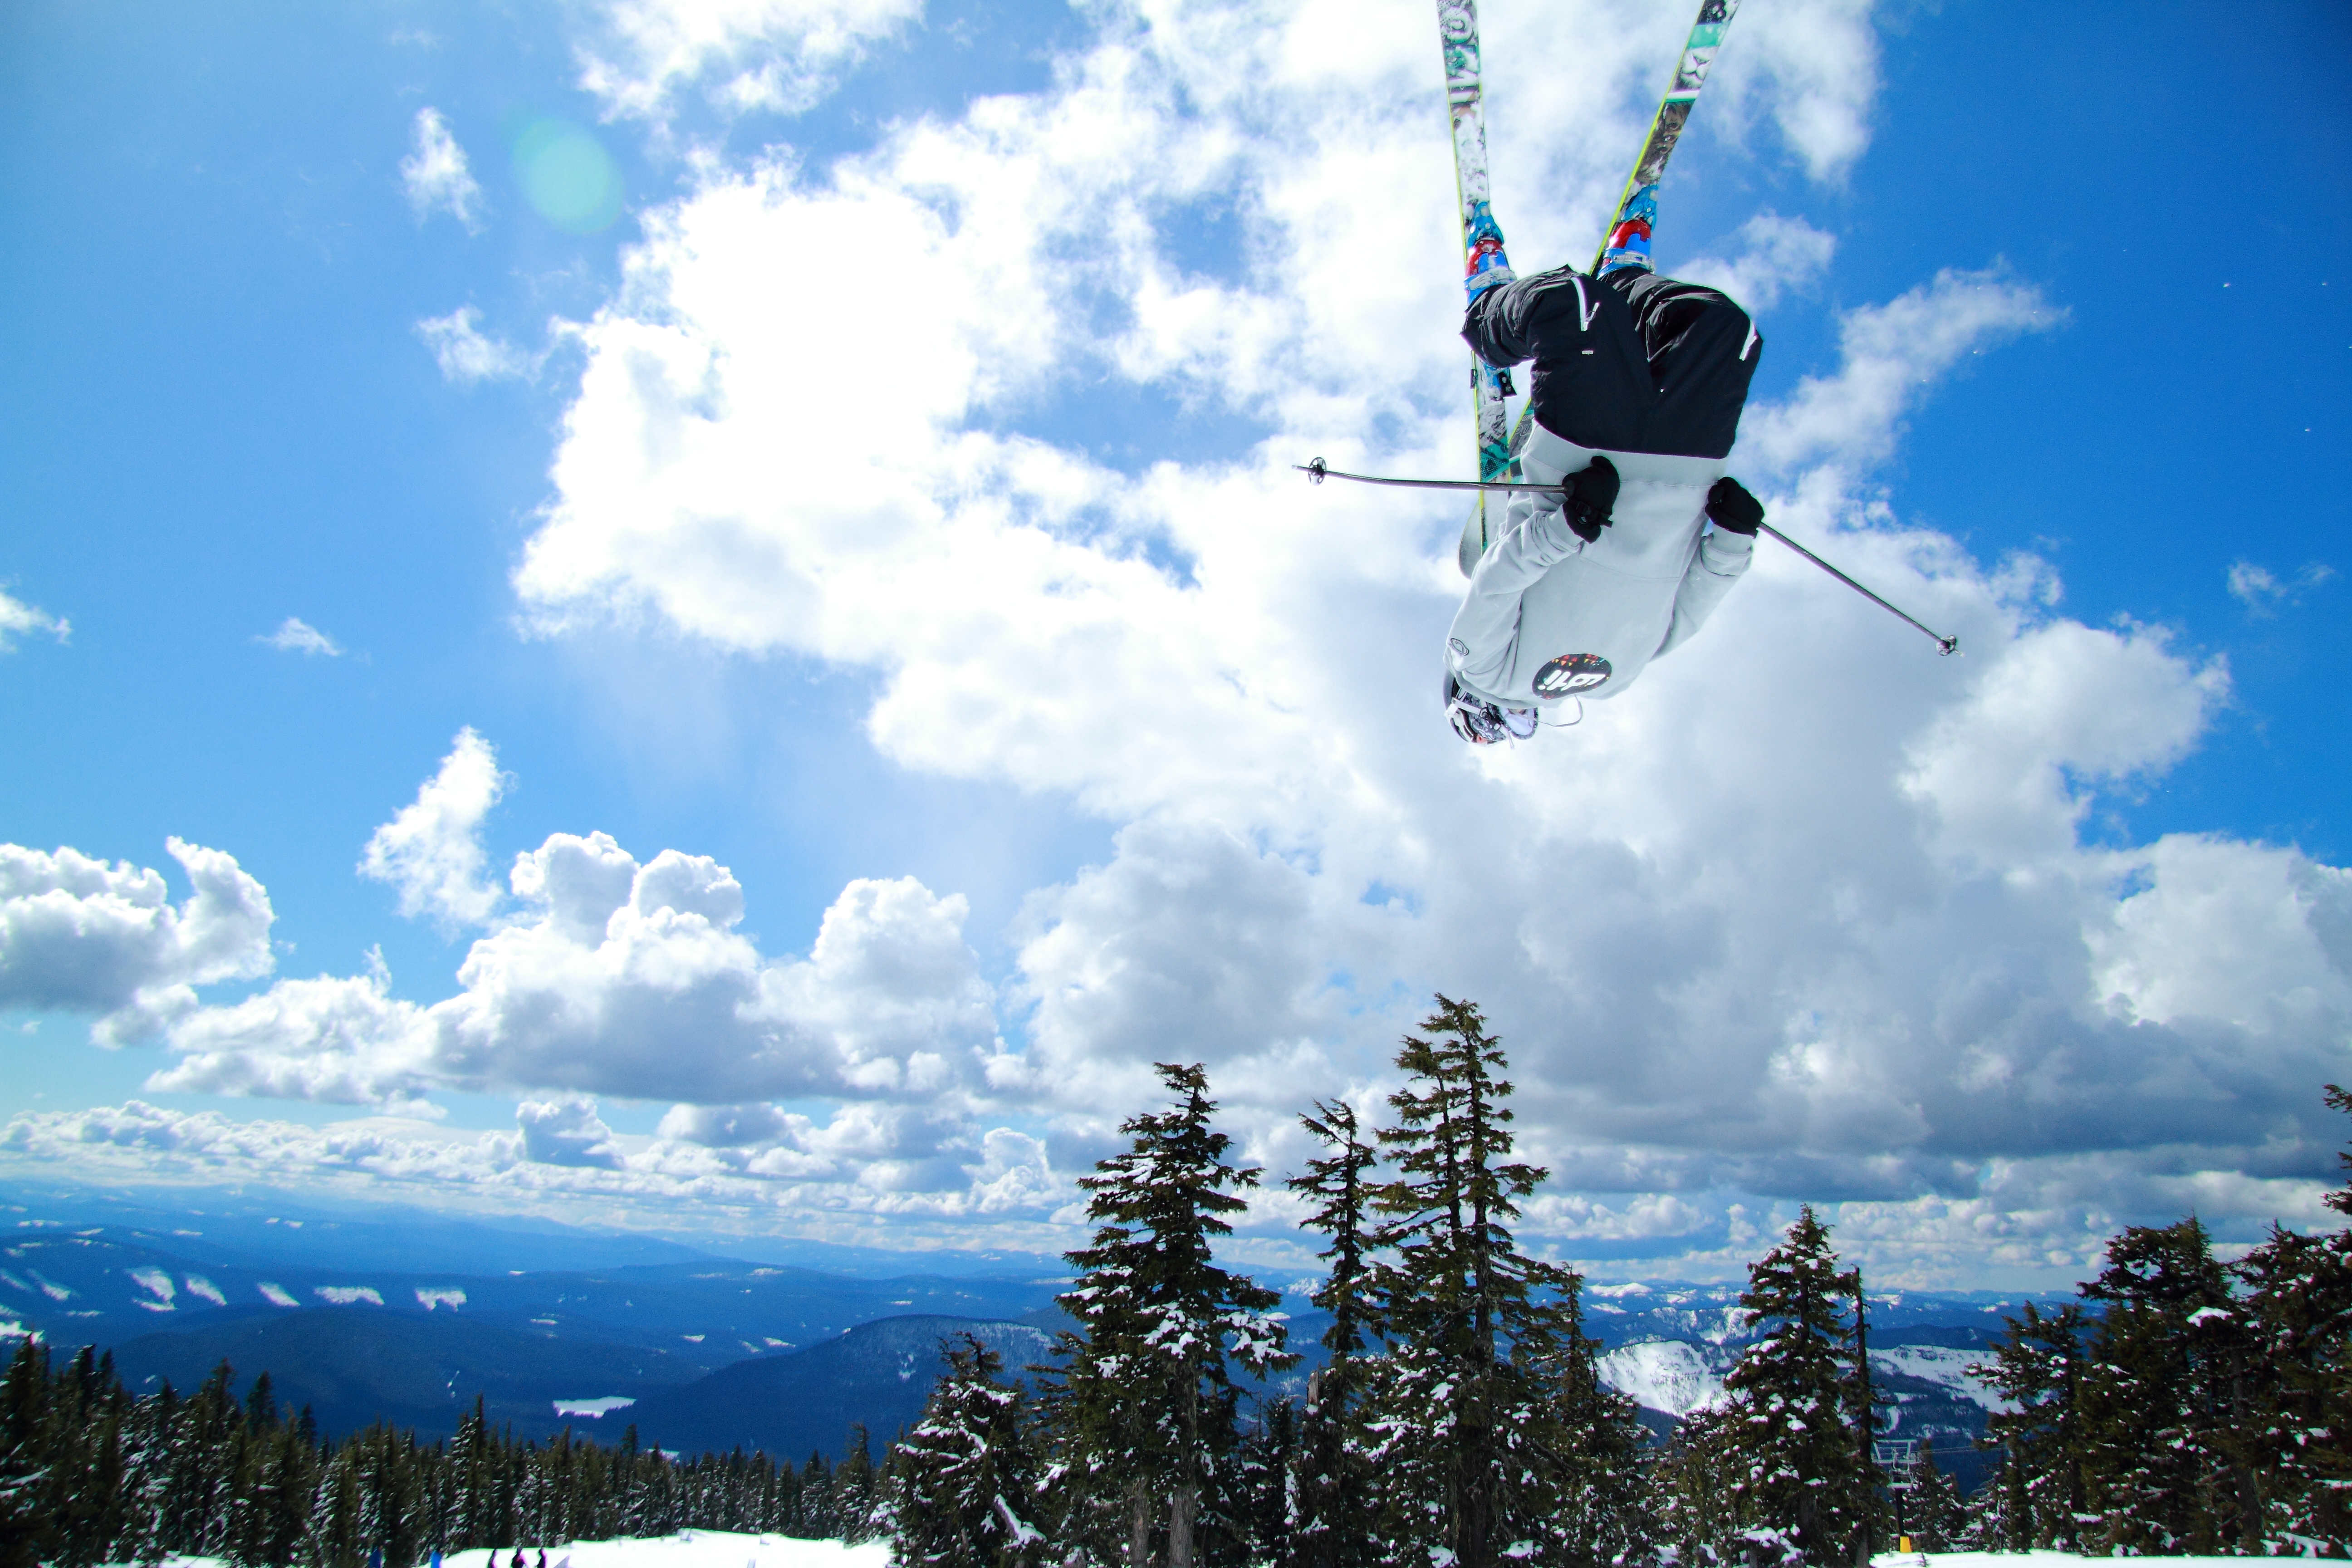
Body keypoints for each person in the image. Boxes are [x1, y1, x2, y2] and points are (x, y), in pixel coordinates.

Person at [1443, 258, 1768, 743]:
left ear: (1465, 705)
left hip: (1588, 458)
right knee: (1726, 329)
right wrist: (1732, 539)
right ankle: (1626, 280)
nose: (1516, 721)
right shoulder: (1615, 681)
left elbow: (1498, 583)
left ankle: (1487, 315)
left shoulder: (1480, 669)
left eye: (1491, 728)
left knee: (1571, 307)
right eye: (1516, 730)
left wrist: (1568, 526)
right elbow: (1692, 606)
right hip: (1684, 467)